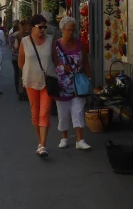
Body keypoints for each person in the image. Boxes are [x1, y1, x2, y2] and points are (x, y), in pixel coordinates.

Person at [18, 13, 57, 158]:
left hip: (48, 82)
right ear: (32, 27)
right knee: (35, 112)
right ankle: (40, 142)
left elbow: (55, 59)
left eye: (44, 27)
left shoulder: (50, 41)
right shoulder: (25, 41)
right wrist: (30, 72)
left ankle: (43, 145)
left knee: (45, 111)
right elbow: (21, 63)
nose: (43, 30)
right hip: (30, 81)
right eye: (40, 27)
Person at [52, 16, 92, 150]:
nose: (71, 33)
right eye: (69, 30)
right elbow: (52, 63)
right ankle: (64, 138)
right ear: (62, 30)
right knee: (63, 113)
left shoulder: (79, 44)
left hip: (78, 83)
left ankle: (80, 140)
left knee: (78, 111)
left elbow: (86, 61)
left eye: (73, 30)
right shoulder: (56, 45)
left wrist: (89, 78)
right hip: (62, 84)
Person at [9, 20, 20, 95]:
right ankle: (21, 89)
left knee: (16, 73)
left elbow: (10, 46)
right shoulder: (21, 35)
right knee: (21, 73)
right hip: (20, 55)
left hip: (13, 56)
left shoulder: (11, 35)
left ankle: (17, 88)